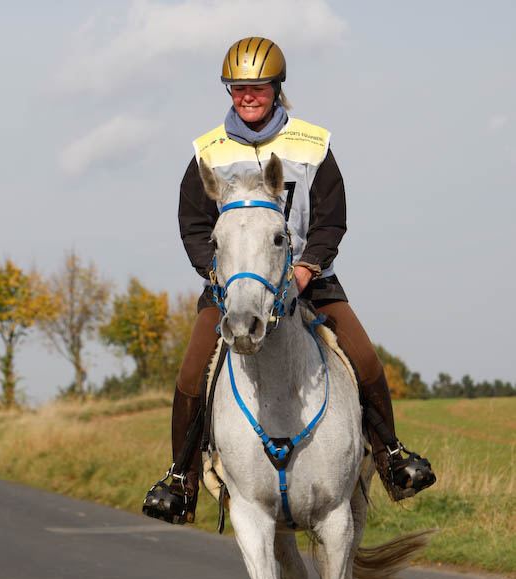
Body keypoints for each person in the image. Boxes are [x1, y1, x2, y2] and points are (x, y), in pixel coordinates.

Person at [145, 36, 435, 524]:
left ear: (277, 87)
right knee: (193, 371)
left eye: (257, 87)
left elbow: (331, 218)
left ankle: (391, 456)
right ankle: (182, 480)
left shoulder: (313, 143)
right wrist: (214, 272)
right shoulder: (207, 152)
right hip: (234, 287)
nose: (247, 96)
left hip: (309, 280)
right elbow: (194, 224)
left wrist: (307, 267)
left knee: (363, 357)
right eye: (237, 88)